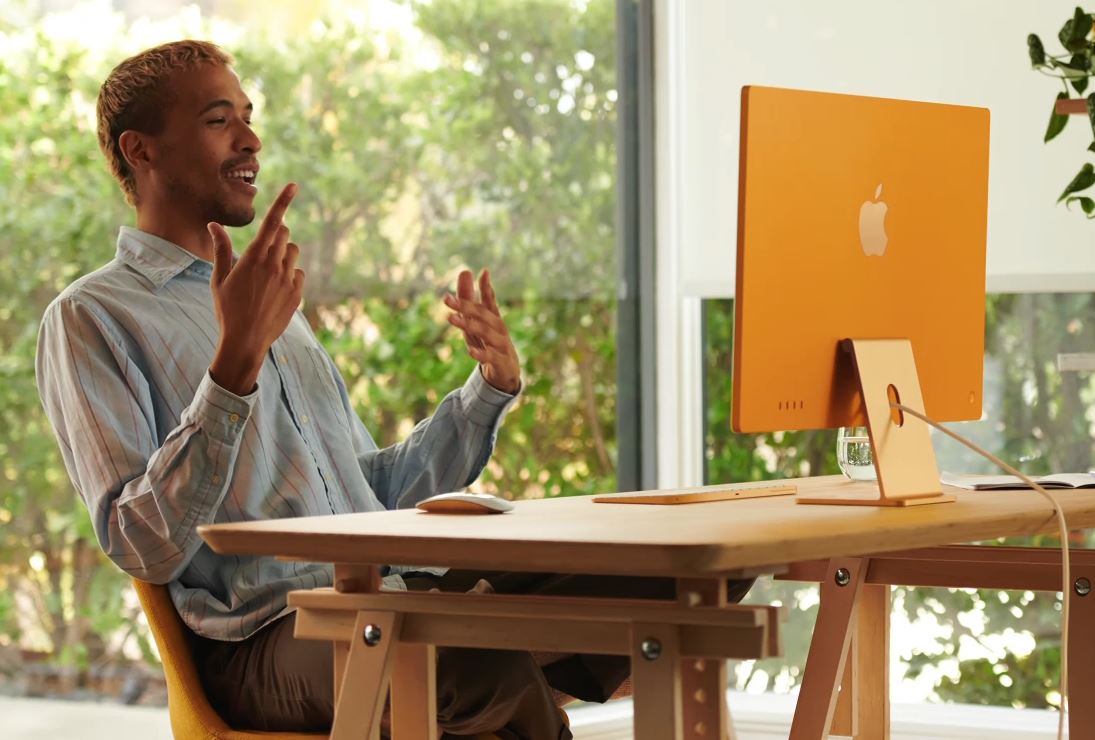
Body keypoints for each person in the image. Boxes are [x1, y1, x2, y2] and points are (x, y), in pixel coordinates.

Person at [34, 39, 745, 739]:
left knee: (690, 575)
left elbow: (373, 495)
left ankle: (501, 663)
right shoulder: (91, 316)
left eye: (248, 117)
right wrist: (233, 369)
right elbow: (140, 542)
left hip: (393, 591)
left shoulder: (269, 299)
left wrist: (488, 390)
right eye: (219, 120)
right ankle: (501, 671)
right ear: (142, 150)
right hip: (268, 636)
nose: (251, 139)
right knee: (465, 661)